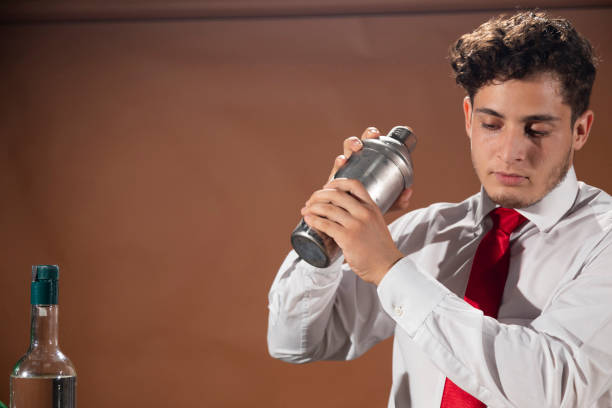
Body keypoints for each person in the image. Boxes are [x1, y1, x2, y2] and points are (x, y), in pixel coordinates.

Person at [267, 11, 612, 407]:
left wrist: (392, 272)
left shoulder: (604, 242)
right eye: (492, 125)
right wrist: (330, 230)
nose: (511, 152)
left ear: (580, 130)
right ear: (469, 119)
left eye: (537, 129)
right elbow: (294, 341)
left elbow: (554, 387)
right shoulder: (427, 232)